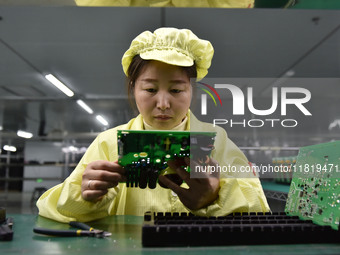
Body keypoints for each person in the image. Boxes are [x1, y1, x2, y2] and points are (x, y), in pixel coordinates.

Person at [37, 27, 270, 223]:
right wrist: (84, 195)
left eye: (176, 90)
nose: (163, 104)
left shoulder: (215, 139)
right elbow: (52, 210)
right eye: (150, 89)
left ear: (192, 90)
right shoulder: (109, 142)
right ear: (133, 88)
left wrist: (215, 198)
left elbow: (257, 210)